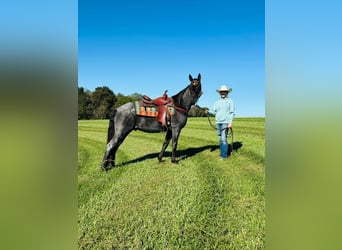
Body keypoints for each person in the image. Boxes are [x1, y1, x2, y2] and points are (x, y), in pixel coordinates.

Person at [209, 85, 235, 159]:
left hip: (225, 122)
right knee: (220, 139)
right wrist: (208, 112)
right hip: (218, 122)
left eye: (224, 92)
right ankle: (222, 153)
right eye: (221, 92)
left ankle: (224, 156)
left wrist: (230, 123)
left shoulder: (230, 101)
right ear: (220, 93)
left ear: (227, 93)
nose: (223, 93)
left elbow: (232, 112)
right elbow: (213, 111)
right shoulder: (217, 102)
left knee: (223, 139)